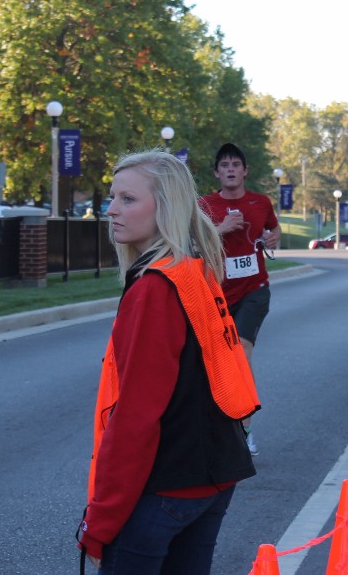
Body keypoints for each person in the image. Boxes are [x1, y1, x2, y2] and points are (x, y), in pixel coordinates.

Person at [78, 150, 259, 575]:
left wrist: (100, 522)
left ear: (166, 207)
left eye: (128, 199)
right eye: (112, 198)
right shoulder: (192, 271)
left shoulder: (153, 289)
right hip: (213, 474)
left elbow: (137, 416)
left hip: (166, 488)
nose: (111, 210)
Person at [199, 143, 280, 455]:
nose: (230, 169)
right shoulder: (204, 205)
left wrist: (275, 236)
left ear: (245, 170)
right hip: (216, 293)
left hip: (254, 290)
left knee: (241, 352)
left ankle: (245, 429)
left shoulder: (260, 202)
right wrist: (220, 228)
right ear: (217, 173)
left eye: (236, 164)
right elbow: (191, 239)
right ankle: (220, 423)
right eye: (224, 165)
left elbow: (273, 228)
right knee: (216, 363)